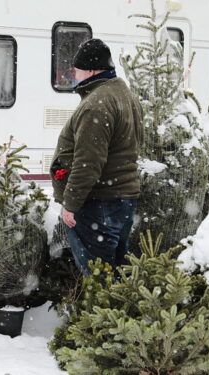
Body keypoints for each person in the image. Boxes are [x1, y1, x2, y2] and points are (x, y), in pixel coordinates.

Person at [50, 39, 144, 276]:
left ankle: (100, 312)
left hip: (99, 203)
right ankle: (118, 312)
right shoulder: (124, 95)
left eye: (77, 69)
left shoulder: (96, 104)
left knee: (98, 276)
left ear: (91, 70)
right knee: (117, 272)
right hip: (121, 199)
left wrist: (70, 204)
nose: (74, 74)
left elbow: (88, 163)